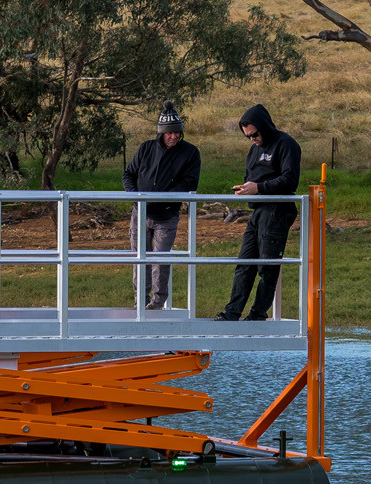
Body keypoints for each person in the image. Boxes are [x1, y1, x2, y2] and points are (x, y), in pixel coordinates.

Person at [216, 104, 302, 322]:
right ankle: (232, 313)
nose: (252, 139)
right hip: (257, 210)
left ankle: (258, 314)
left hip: (277, 211)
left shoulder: (286, 144)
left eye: (254, 134)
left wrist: (259, 188)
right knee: (244, 263)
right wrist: (246, 189)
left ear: (264, 126)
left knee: (267, 265)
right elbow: (251, 176)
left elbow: (290, 179)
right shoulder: (254, 149)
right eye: (247, 136)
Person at [122, 100, 201, 310]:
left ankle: (157, 302)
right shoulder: (146, 148)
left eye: (178, 132)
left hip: (166, 216)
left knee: (160, 260)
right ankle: (140, 301)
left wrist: (162, 197)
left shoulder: (191, 153)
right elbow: (129, 174)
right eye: (170, 133)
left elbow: (190, 183)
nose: (174, 136)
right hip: (140, 212)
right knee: (140, 259)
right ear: (161, 133)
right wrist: (134, 195)